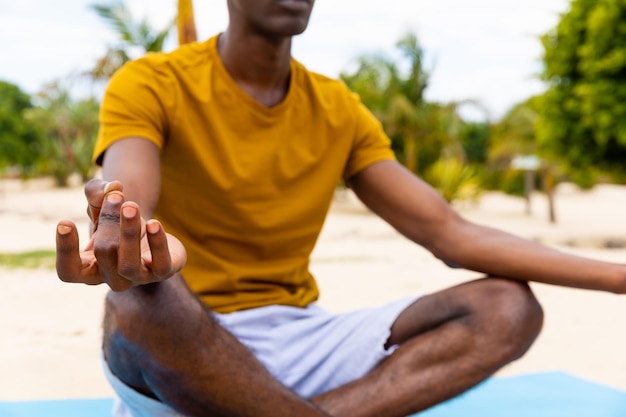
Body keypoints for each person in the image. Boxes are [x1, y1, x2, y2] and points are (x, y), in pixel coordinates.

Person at [55, 1, 626, 416]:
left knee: (508, 308)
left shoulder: (338, 107)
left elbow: (448, 231)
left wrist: (617, 277)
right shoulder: (151, 82)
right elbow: (130, 195)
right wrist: (136, 235)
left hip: (302, 338)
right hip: (183, 341)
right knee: (141, 298)